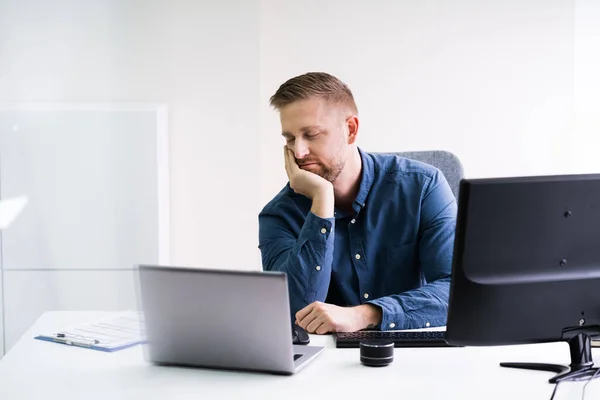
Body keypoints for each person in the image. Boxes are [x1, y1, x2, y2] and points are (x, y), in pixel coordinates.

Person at [258, 72, 457, 334]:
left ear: (350, 130)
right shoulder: (278, 215)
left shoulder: (422, 186)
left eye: (312, 134)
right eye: (290, 139)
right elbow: (293, 313)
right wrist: (322, 202)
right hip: (326, 364)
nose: (299, 152)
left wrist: (366, 315)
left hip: (409, 352)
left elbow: (456, 290)